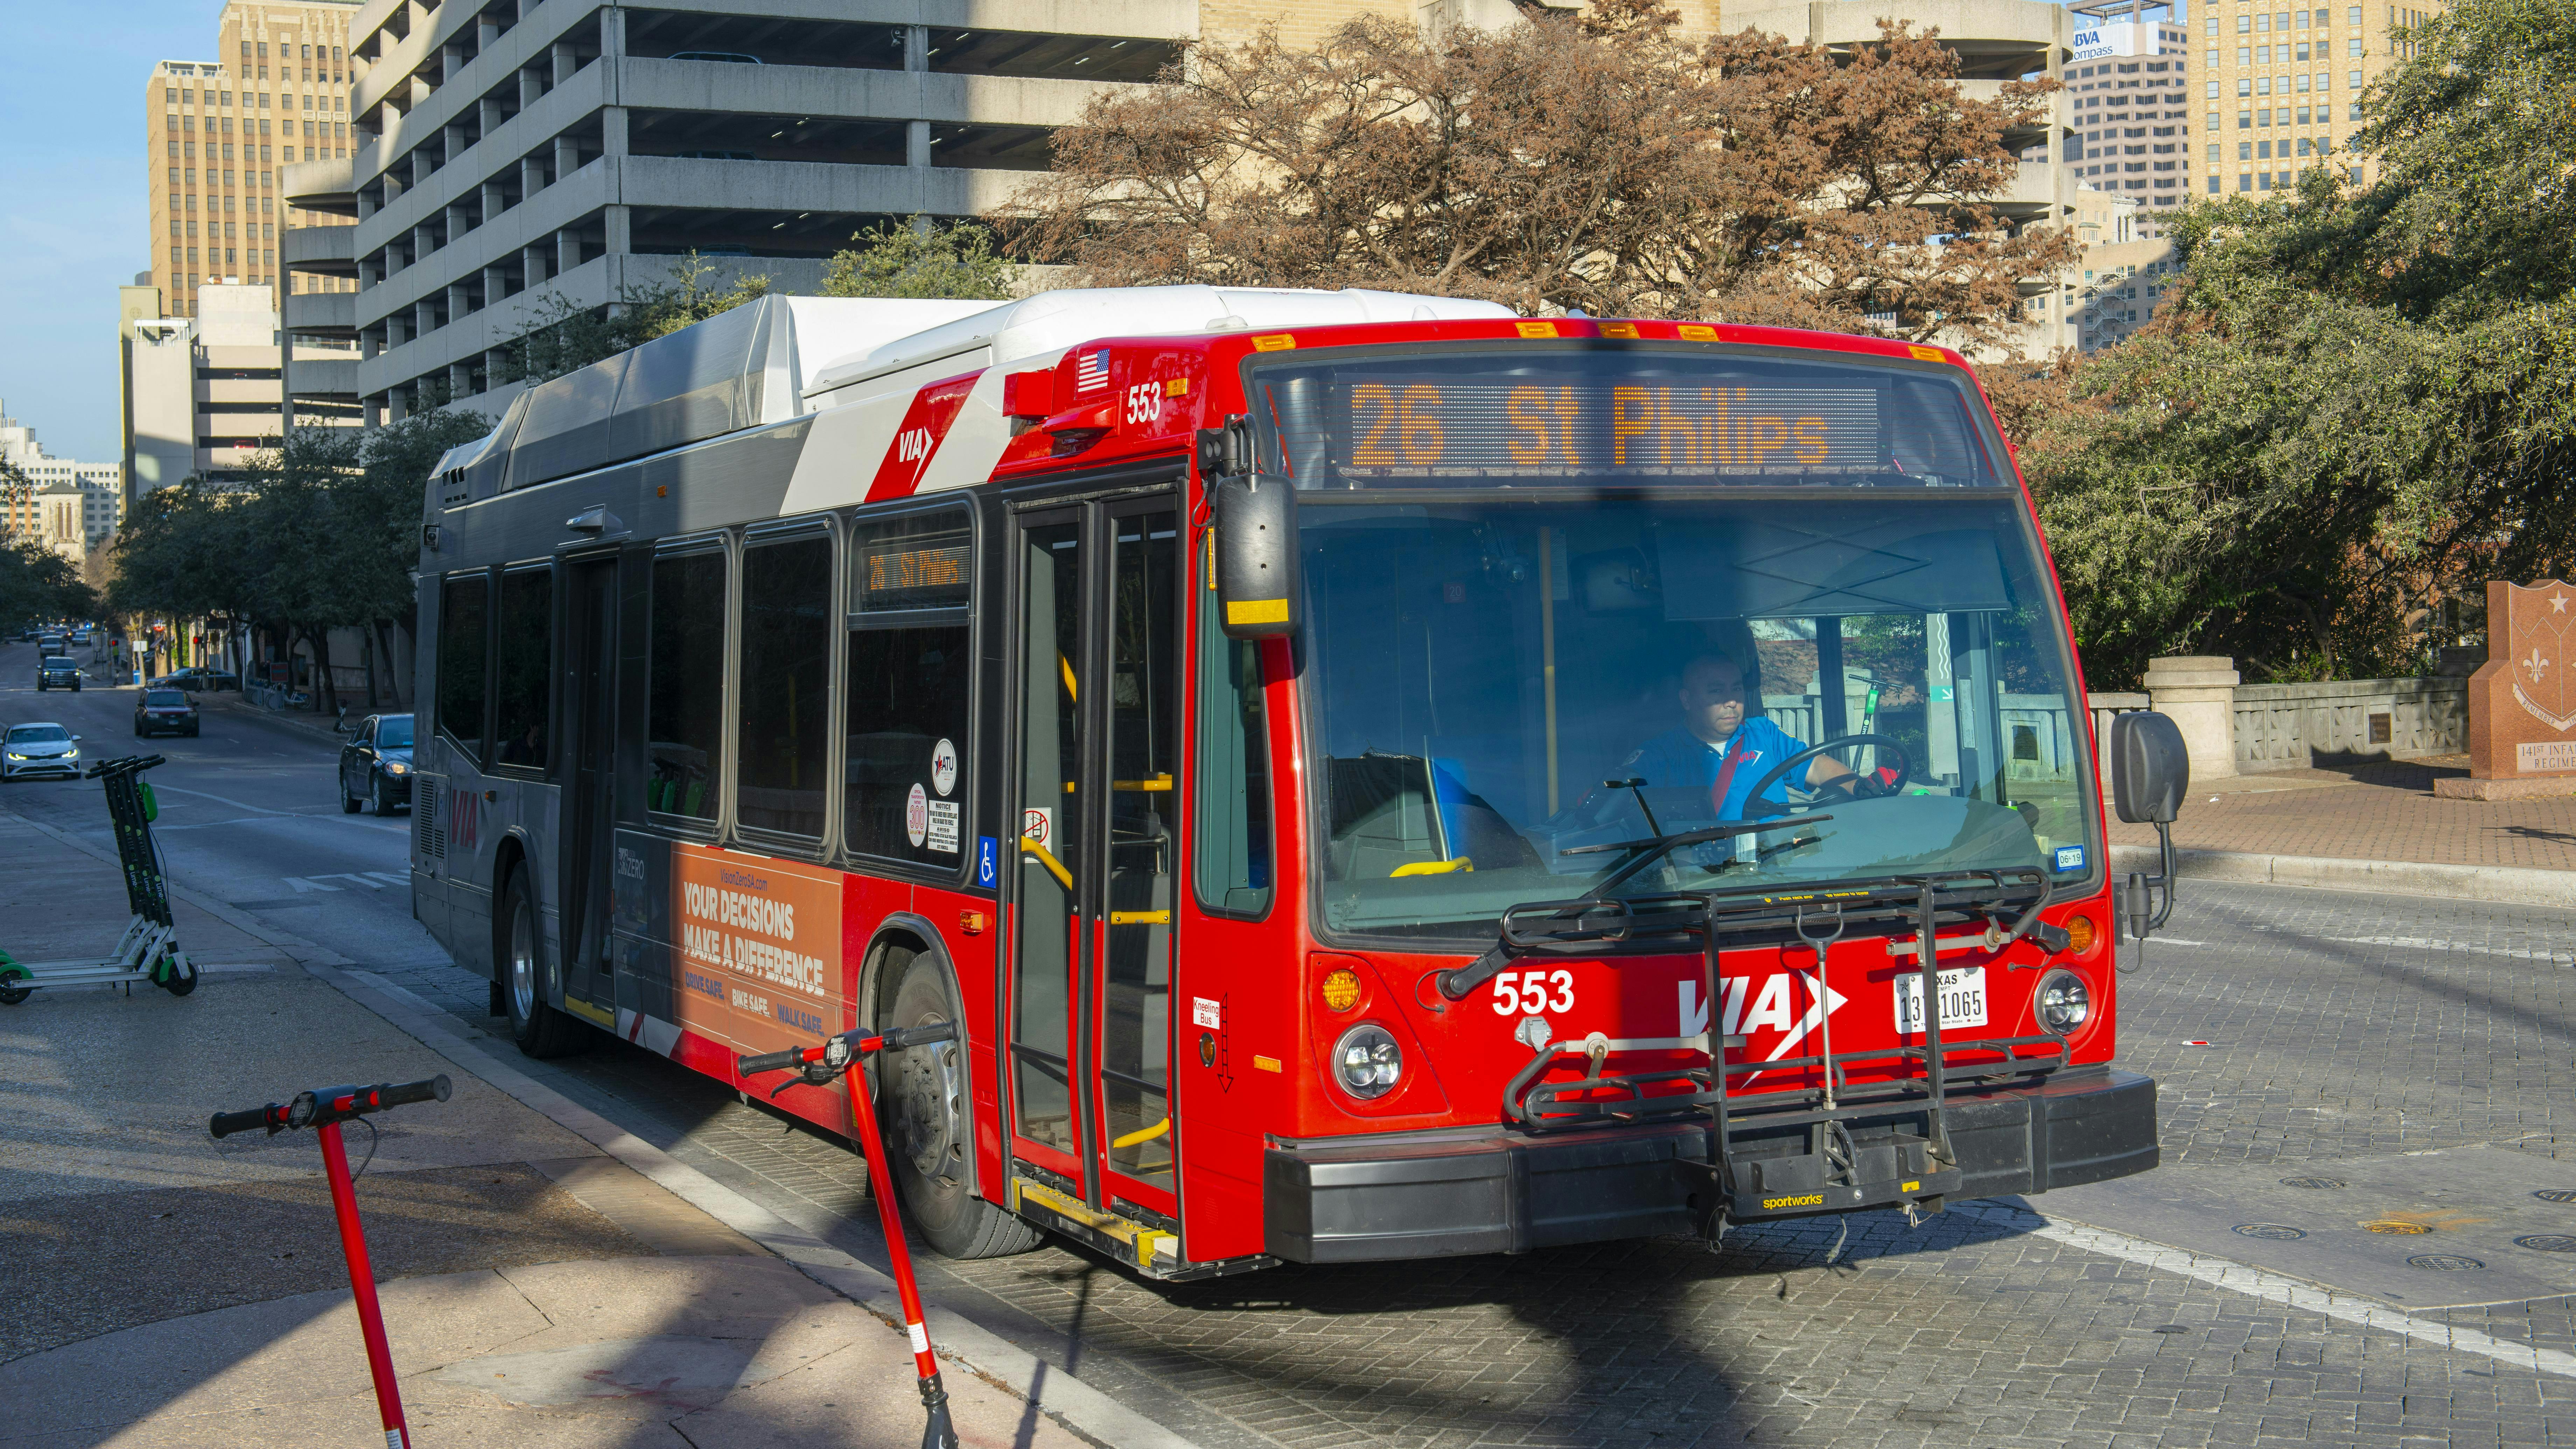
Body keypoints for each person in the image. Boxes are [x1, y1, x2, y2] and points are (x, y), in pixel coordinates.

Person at [1617, 651, 1855, 820]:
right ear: (1687, 700)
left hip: (1780, 859)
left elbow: (1817, 767)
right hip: (1706, 869)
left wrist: (1861, 786)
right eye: (1717, 691)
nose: (1731, 701)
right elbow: (1617, 803)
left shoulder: (1763, 733)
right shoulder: (1661, 753)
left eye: (1737, 688)